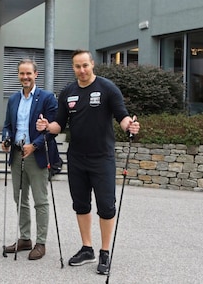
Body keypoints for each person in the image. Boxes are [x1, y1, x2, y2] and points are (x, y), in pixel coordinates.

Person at [36, 49, 140, 275]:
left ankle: (104, 251)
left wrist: (129, 126)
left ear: (92, 64)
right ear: (73, 68)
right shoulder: (67, 93)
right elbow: (59, 125)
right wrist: (46, 127)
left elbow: (122, 115)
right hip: (77, 159)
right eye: (77, 66)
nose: (82, 70)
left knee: (106, 206)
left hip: (102, 158)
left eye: (85, 65)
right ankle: (87, 248)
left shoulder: (107, 88)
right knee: (81, 205)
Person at [1, 59, 62, 260]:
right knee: (20, 199)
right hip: (17, 154)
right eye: (21, 73)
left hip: (37, 154)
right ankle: (25, 238)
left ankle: (41, 242)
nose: (25, 77)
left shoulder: (47, 98)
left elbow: (52, 129)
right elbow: (8, 125)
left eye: (29, 73)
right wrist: (6, 139)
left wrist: (34, 145)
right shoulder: (13, 99)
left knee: (40, 200)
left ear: (36, 74)